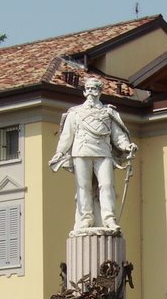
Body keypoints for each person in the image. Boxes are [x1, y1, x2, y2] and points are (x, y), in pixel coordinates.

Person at [49, 77, 138, 232]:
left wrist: (126, 146)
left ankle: (109, 218)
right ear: (84, 92)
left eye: (94, 88)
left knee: (107, 185)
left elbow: (117, 136)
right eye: (88, 89)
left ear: (100, 91)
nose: (91, 92)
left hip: (103, 152)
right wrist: (60, 153)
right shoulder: (75, 113)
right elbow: (67, 136)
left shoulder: (108, 112)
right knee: (83, 187)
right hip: (81, 152)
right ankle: (86, 219)